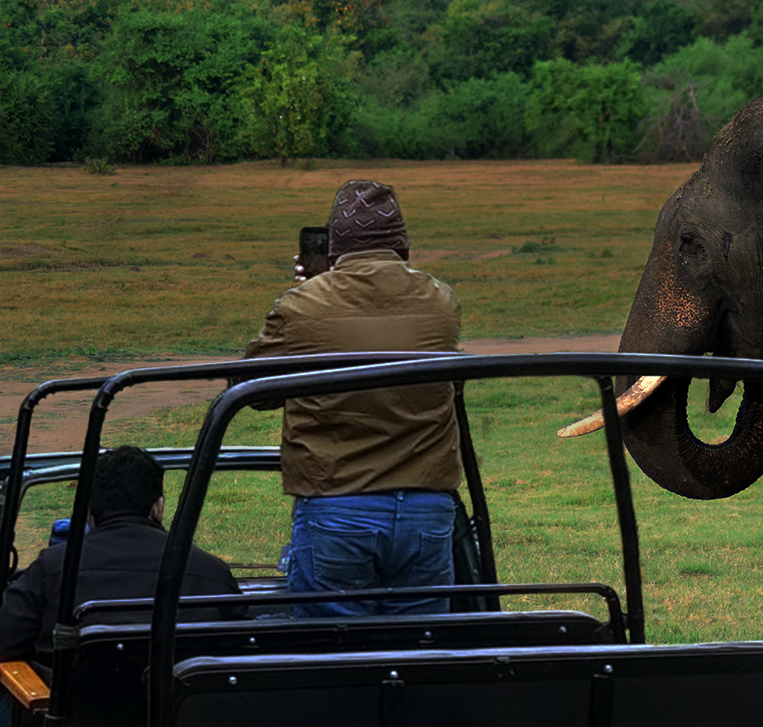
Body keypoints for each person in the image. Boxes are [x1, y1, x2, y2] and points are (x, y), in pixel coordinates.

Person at [242, 180, 462, 617]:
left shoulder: (302, 305)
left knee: (335, 656)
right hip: (426, 507)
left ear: (335, 245)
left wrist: (314, 287)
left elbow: (251, 391)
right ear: (400, 244)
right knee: (421, 652)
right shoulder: (441, 301)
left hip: (338, 502)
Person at [0, 446, 243, 669]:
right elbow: (240, 652)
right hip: (186, 715)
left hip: (77, 714)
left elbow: (6, 643)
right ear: (158, 507)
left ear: (89, 514)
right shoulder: (212, 573)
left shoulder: (52, 567)